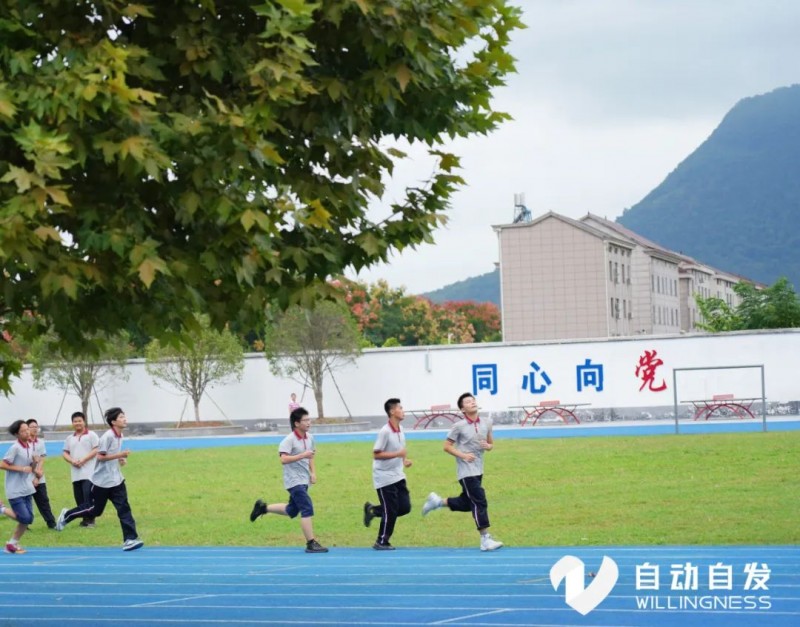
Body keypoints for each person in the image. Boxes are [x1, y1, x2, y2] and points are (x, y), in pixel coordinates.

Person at [421, 392, 503, 551]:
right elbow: (446, 446)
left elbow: (491, 443)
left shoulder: (487, 422)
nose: (472, 402)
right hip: (466, 471)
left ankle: (437, 502)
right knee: (479, 499)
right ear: (462, 409)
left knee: (467, 503)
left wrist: (489, 446)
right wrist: (463, 455)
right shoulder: (458, 426)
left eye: (473, 400)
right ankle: (485, 539)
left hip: (479, 468)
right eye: (468, 401)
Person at [55, 407, 144, 551]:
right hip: (100, 482)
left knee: (124, 508)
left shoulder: (119, 435)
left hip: (116, 480)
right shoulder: (107, 436)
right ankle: (67, 514)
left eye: (124, 416)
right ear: (113, 421)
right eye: (121, 417)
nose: (125, 419)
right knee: (94, 511)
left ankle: (130, 539)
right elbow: (101, 457)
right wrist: (119, 455)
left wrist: (120, 458)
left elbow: (113, 454)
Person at [249, 406, 328, 553]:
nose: (309, 422)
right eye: (305, 420)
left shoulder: (310, 438)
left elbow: (310, 456)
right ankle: (311, 543)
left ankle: (263, 508)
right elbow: (283, 459)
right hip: (293, 481)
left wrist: (313, 472)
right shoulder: (288, 440)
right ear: (297, 423)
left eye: (309, 419)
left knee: (292, 510)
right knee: (307, 508)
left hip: (304, 480)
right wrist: (301, 455)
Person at [363, 397, 412, 550]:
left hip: (398, 474)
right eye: (400, 408)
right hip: (384, 477)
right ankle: (381, 541)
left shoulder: (401, 429)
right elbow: (376, 454)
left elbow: (400, 449)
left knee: (404, 507)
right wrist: (398, 454)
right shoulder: (385, 431)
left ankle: (373, 510)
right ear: (392, 411)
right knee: (390, 510)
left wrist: (404, 460)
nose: (403, 411)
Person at [0, 420, 38, 554]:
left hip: (26, 488)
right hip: (14, 489)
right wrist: (21, 468)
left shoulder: (30, 446)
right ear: (17, 434)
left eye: (27, 429)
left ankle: (12, 544)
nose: (27, 432)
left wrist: (34, 463)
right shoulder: (15, 447)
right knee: (25, 518)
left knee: (29, 519)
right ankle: (2, 509)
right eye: (23, 431)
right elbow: (3, 464)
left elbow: (31, 468)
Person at [62, 411, 100, 528]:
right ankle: (84, 520)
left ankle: (91, 520)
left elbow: (96, 449)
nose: (77, 423)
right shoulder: (69, 438)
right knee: (79, 498)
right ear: (72, 423)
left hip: (89, 473)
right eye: (75, 421)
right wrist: (72, 460)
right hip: (76, 473)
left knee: (88, 496)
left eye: (79, 420)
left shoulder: (91, 435)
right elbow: (65, 453)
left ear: (84, 421)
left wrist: (83, 459)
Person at [26, 419, 57, 529]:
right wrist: (35, 473)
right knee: (26, 502)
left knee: (43, 501)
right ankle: (25, 524)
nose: (35, 428)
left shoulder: (40, 442)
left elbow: (42, 458)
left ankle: (51, 523)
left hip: (39, 477)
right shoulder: (23, 443)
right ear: (26, 429)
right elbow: (26, 462)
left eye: (36, 426)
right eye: (32, 426)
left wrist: (38, 475)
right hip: (25, 477)